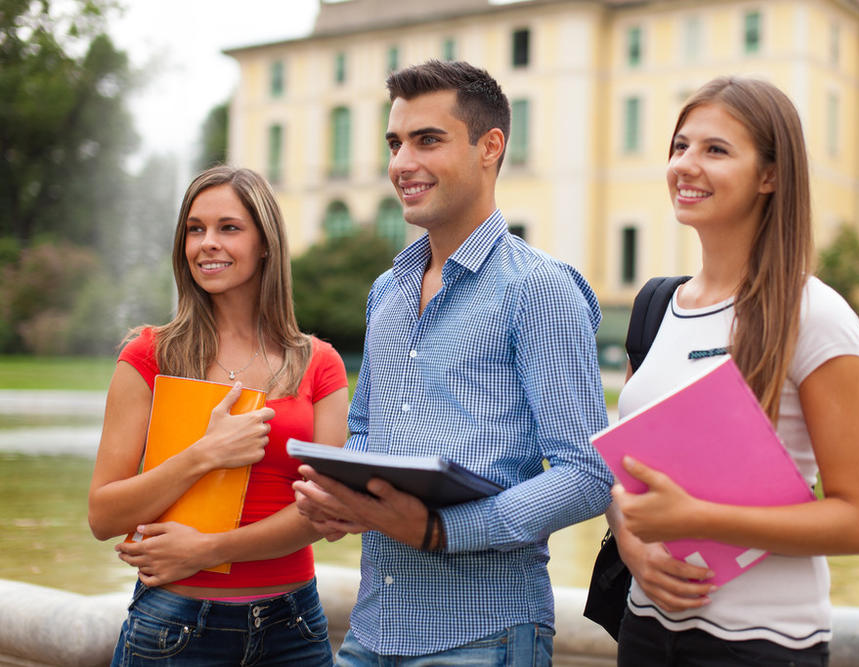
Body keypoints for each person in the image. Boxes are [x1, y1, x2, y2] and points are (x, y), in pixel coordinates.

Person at [292, 59, 613, 665]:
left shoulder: (539, 288)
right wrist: (339, 495)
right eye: (395, 143)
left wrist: (440, 531)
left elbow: (589, 474)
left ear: (490, 147)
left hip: (482, 638)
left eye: (427, 140)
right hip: (370, 633)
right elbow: (366, 431)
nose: (401, 164)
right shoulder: (387, 291)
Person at [607, 77, 859, 666]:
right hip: (644, 631)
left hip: (760, 644)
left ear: (771, 176)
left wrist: (696, 519)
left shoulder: (816, 317)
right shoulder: (657, 306)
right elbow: (626, 473)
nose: (685, 165)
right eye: (680, 146)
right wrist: (632, 543)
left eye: (715, 150)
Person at [88, 165, 349, 666]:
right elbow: (104, 516)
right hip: (175, 627)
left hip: (295, 628)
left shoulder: (320, 365)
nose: (207, 242)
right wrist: (205, 454)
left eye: (228, 227)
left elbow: (321, 511)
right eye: (195, 228)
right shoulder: (150, 355)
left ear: (265, 243)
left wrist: (208, 550)